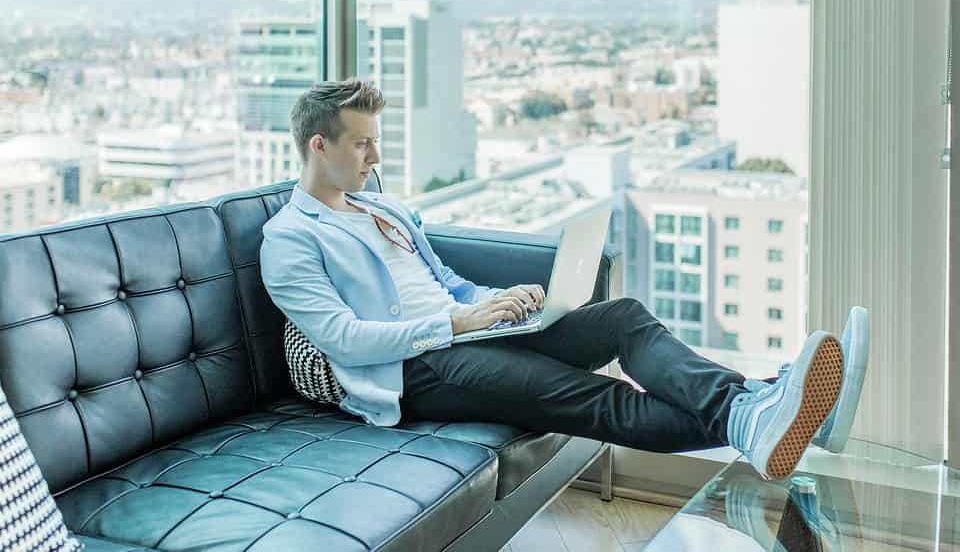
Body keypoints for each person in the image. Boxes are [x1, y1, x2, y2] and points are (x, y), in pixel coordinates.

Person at [260, 80, 868, 480]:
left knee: (623, 318)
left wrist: (494, 302)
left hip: (470, 333)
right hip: (414, 370)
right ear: (319, 145)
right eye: (362, 144)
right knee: (588, 395)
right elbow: (344, 339)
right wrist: (454, 321)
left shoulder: (382, 208)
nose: (374, 157)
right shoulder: (290, 238)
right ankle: (768, 410)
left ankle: (761, 410)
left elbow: (442, 278)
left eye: (375, 142)